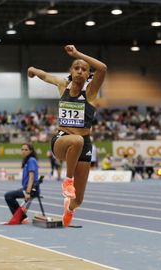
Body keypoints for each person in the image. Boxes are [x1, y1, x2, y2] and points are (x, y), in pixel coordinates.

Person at [27, 44, 107, 227]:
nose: (80, 71)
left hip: (84, 145)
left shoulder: (91, 91)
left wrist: (78, 53)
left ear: (88, 74)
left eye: (84, 69)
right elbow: (45, 75)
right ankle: (67, 181)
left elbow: (102, 68)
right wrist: (32, 70)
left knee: (79, 200)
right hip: (62, 140)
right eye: (76, 68)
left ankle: (69, 207)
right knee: (76, 140)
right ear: (71, 70)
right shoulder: (63, 85)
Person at [4, 143, 40, 224]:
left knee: (8, 195)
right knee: (10, 195)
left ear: (31, 151)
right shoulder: (27, 160)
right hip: (27, 188)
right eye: (22, 149)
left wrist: (27, 192)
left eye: (26, 150)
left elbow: (31, 177)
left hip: (32, 189)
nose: (23, 151)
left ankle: (21, 217)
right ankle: (21, 217)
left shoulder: (31, 160)